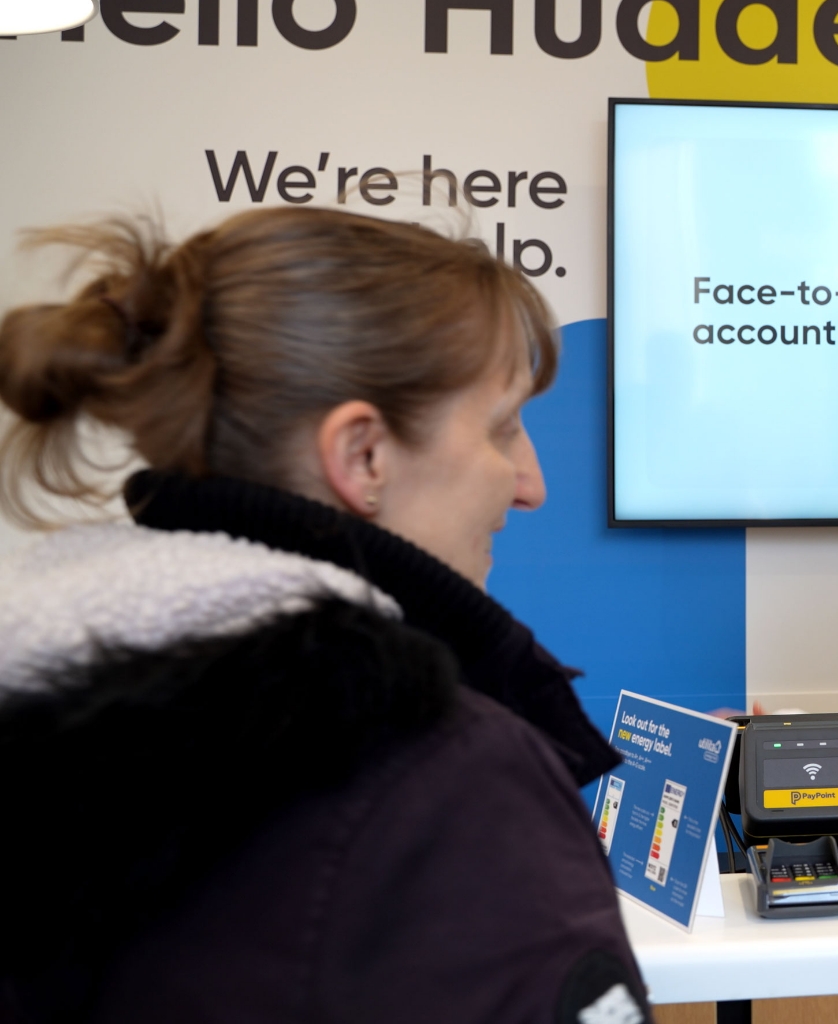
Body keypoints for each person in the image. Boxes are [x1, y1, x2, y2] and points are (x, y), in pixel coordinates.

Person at [0, 209, 646, 1023]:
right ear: (361, 457)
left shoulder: (36, 697)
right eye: (503, 427)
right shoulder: (443, 775)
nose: (530, 483)